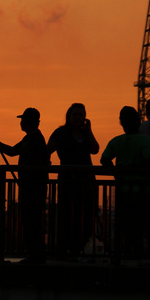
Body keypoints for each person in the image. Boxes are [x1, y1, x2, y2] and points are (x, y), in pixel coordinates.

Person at [0, 107, 51, 262]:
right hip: (27, 187)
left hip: (34, 188)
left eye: (22, 120)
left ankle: (35, 255)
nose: (20, 123)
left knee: (33, 221)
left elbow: (39, 163)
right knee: (28, 220)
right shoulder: (29, 138)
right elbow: (11, 151)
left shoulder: (37, 139)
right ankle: (32, 254)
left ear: (28, 122)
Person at [104, 105, 150, 258]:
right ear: (138, 122)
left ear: (121, 123)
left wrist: (117, 174)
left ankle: (129, 256)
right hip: (144, 192)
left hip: (124, 192)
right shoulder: (144, 140)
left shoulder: (116, 141)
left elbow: (104, 159)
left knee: (129, 229)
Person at [47, 103, 100, 256]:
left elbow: (95, 149)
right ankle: (65, 248)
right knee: (67, 215)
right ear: (69, 117)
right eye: (75, 114)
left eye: (81, 115)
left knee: (87, 216)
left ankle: (84, 248)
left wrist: (89, 130)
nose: (78, 118)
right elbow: (47, 150)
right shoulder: (61, 133)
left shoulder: (85, 133)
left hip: (87, 181)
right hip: (68, 180)